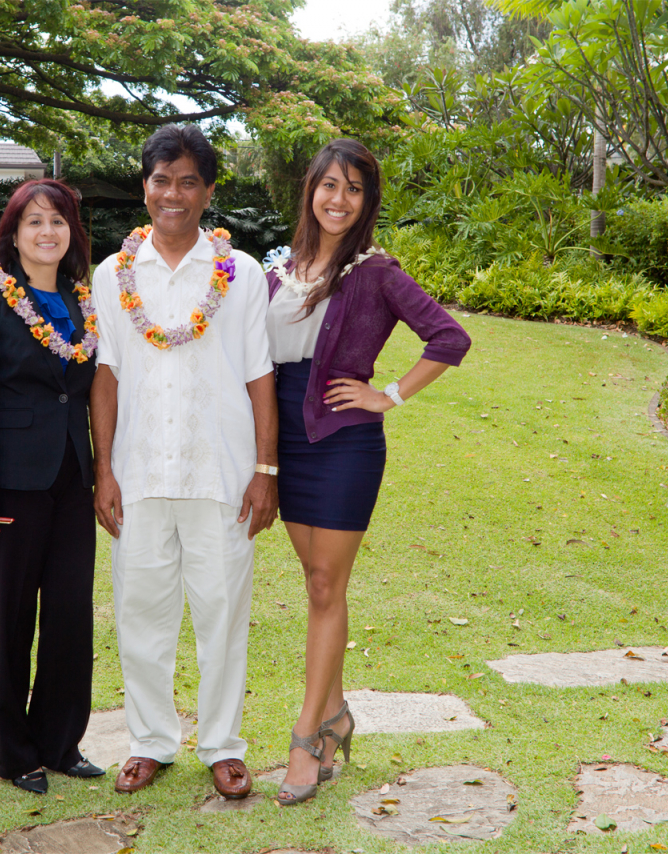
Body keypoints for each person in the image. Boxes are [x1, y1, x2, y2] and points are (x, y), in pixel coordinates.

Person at [265, 139, 471, 804]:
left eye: (354, 188)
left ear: (367, 201)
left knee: (327, 583)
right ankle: (337, 717)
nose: (338, 199)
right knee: (320, 584)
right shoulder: (278, 272)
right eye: (329, 185)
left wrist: (389, 394)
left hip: (345, 443)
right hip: (287, 445)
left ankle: (305, 737)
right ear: (310, 191)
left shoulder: (376, 271)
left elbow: (449, 338)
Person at [89, 124, 278, 800]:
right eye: (161, 179)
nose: (173, 193)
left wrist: (265, 470)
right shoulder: (112, 276)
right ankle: (150, 742)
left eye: (188, 180)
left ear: (208, 191)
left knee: (222, 611)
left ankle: (223, 744)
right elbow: (105, 375)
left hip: (220, 473)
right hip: (138, 473)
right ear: (145, 186)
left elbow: (260, 375)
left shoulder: (242, 272)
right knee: (140, 610)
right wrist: (103, 468)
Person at [0, 179, 104, 794]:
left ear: (72, 233)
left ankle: (61, 740)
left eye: (59, 222)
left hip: (73, 475)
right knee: (13, 616)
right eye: (34, 222)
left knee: (70, 614)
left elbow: (83, 387)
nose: (48, 232)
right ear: (13, 234)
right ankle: (16, 751)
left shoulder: (81, 297)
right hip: (12, 484)